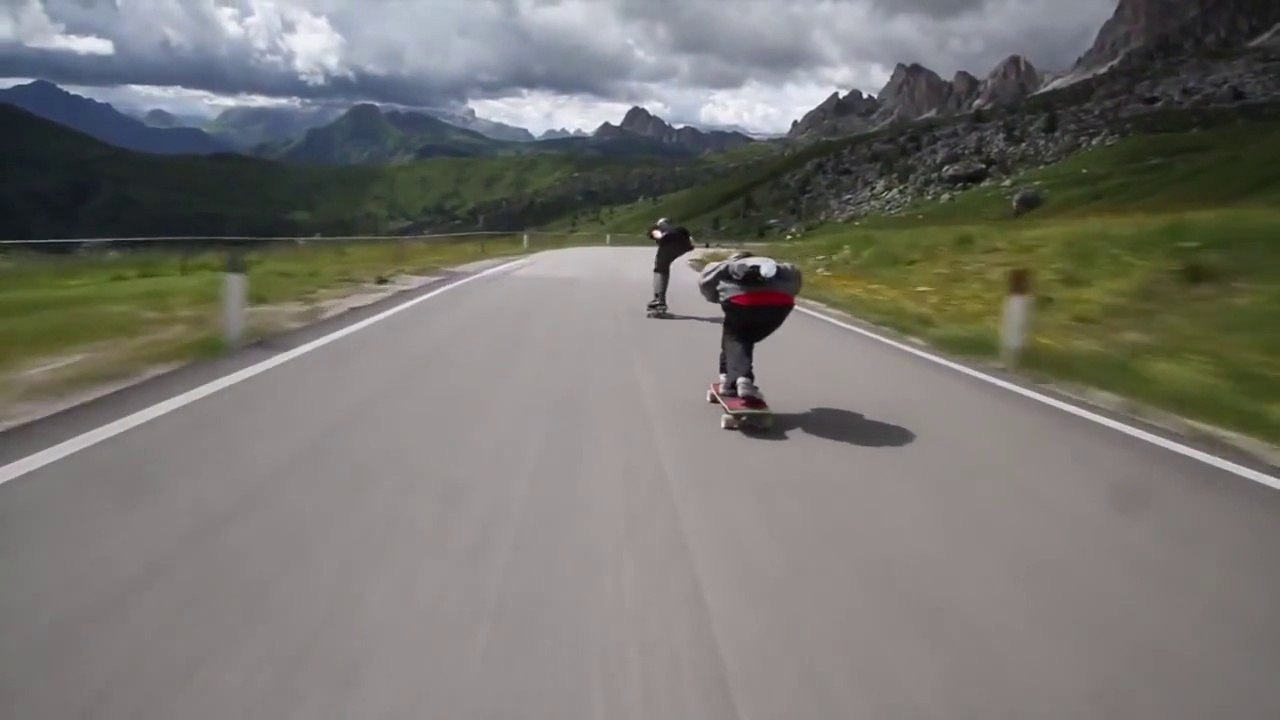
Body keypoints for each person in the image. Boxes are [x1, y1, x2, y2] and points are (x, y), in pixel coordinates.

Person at [698, 251, 802, 404]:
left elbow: (705, 282)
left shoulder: (724, 266)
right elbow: (795, 277)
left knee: (738, 338)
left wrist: (715, 297)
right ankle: (727, 379)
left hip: (741, 303)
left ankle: (742, 380)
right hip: (780, 304)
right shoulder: (777, 267)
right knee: (740, 339)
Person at [647, 217, 695, 312]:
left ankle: (659, 299)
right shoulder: (680, 228)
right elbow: (691, 240)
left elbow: (658, 235)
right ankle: (659, 299)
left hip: (669, 240)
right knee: (663, 266)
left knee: (660, 269)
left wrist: (660, 237)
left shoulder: (657, 228)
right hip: (684, 245)